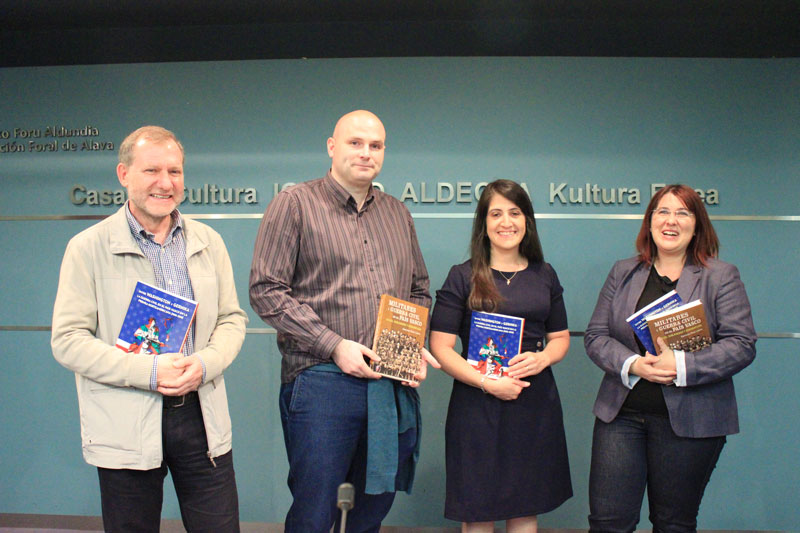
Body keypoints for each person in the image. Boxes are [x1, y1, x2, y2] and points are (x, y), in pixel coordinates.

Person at [249, 110, 439, 532]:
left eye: (376, 145)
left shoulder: (397, 213)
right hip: (322, 380)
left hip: (388, 382)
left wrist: (408, 349)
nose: (366, 153)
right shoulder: (295, 204)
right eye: (356, 143)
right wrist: (334, 345)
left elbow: (419, 289)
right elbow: (266, 289)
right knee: (315, 512)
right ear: (332, 147)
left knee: (372, 509)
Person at [51, 126, 247, 532]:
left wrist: (205, 364)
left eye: (174, 171)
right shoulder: (87, 247)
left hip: (200, 415)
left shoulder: (209, 241)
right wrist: (150, 371)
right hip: (126, 416)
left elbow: (232, 319)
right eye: (152, 171)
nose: (165, 182)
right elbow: (68, 341)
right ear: (124, 174)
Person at [584, 184, 757, 532]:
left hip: (692, 421)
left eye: (682, 213)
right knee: (608, 523)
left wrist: (679, 365)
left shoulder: (721, 276)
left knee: (672, 523)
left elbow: (741, 344)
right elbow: (596, 336)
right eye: (662, 211)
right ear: (649, 222)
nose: (671, 220)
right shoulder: (623, 271)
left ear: (697, 224)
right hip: (622, 416)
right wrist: (633, 364)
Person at [429, 179, 572, 532]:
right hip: (477, 404)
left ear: (527, 221)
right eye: (496, 214)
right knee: (478, 510)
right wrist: (487, 383)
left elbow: (560, 338)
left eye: (515, 213)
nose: (506, 222)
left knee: (525, 507)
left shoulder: (545, 274)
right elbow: (441, 347)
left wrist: (543, 358)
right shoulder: (462, 276)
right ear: (484, 222)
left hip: (533, 403)